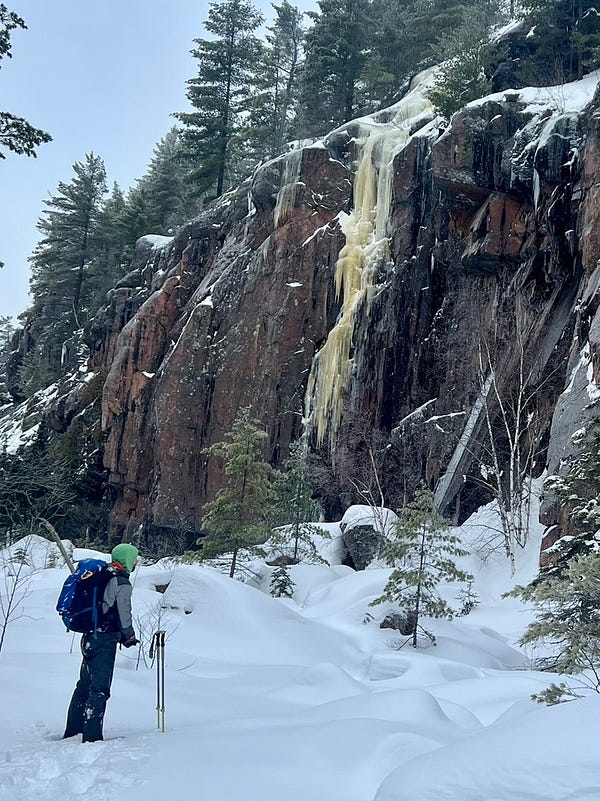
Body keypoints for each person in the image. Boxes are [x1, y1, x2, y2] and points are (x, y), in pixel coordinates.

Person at [63, 543, 140, 742]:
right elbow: (124, 613)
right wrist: (129, 636)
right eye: (134, 558)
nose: (136, 561)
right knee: (99, 690)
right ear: (128, 559)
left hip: (89, 636)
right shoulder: (121, 581)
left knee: (83, 686)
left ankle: (73, 730)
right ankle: (91, 738)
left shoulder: (101, 573)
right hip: (104, 639)